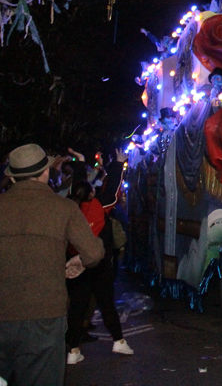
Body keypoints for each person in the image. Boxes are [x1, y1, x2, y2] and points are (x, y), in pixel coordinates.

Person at [0, 144, 104, 386]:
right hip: (44, 315)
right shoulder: (63, 208)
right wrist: (80, 260)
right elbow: (93, 252)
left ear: (13, 177)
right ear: (46, 173)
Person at [65, 182, 133, 364]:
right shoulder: (98, 207)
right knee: (107, 305)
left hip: (76, 262)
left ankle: (72, 350)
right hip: (99, 264)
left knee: (77, 308)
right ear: (91, 194)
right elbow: (112, 189)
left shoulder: (70, 210)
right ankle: (119, 341)